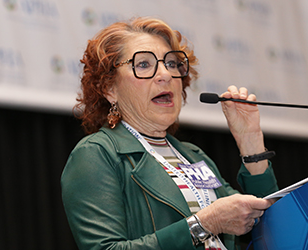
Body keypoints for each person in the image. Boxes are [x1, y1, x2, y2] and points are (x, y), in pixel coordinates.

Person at [61, 17, 278, 250]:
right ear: (109, 88)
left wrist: (250, 140)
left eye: (172, 64)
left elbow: (271, 231)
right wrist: (206, 223)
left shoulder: (193, 155)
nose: (165, 74)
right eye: (143, 64)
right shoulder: (97, 154)